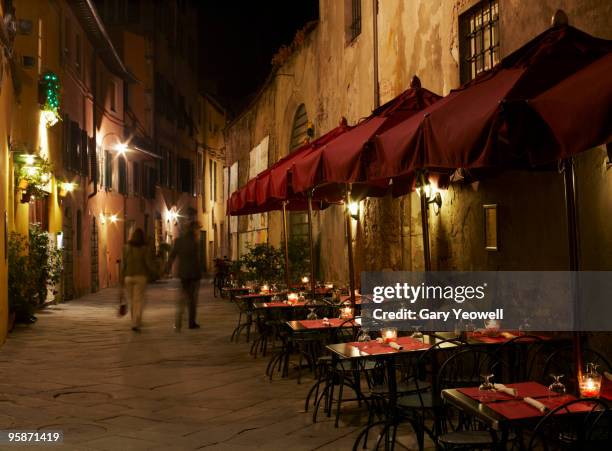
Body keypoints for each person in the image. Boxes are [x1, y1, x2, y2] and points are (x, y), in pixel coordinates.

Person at [167, 211, 202, 331]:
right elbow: (197, 260)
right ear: (194, 230)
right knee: (192, 300)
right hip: (194, 275)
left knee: (182, 298)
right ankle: (191, 323)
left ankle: (178, 322)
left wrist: (167, 268)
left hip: (183, 274)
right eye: (197, 229)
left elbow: (172, 255)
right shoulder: (195, 242)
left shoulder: (179, 241)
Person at [121, 228, 156, 332]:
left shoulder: (126, 248)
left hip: (128, 277)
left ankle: (134, 322)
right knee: (139, 300)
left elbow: (123, 264)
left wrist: (121, 276)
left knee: (131, 300)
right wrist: (156, 271)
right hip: (140, 277)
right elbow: (148, 263)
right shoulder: (144, 249)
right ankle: (136, 322)